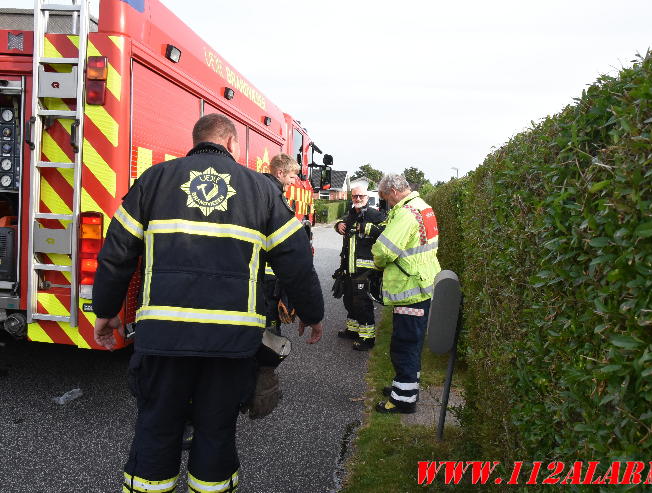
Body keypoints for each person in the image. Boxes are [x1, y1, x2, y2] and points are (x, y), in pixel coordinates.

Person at [92, 114, 324, 491]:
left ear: (195, 139)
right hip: (231, 341)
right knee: (216, 430)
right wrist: (312, 314)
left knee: (157, 424)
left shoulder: (154, 179)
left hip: (163, 337)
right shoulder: (261, 190)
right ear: (231, 144)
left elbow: (117, 252)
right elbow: (295, 259)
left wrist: (105, 311)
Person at [371, 174, 440, 413]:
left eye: (385, 198)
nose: (387, 204)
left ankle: (402, 401)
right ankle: (405, 389)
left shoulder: (406, 214)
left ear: (393, 192)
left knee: (404, 345)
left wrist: (377, 263)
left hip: (410, 289)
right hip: (423, 285)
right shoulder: (424, 208)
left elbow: (383, 250)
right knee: (412, 343)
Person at [334, 183, 386, 350]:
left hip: (366, 270)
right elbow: (343, 224)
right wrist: (338, 225)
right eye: (355, 196)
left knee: (362, 304)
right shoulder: (350, 215)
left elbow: (386, 232)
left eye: (361, 196)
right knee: (349, 300)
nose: (357, 199)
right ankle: (353, 330)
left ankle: (367, 339)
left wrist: (368, 228)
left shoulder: (375, 215)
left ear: (367, 198)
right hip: (349, 269)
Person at [262, 153, 300, 336]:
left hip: (257, 274)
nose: (294, 181)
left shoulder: (260, 190)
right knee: (269, 329)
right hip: (269, 278)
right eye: (292, 176)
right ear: (280, 172)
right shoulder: (276, 198)